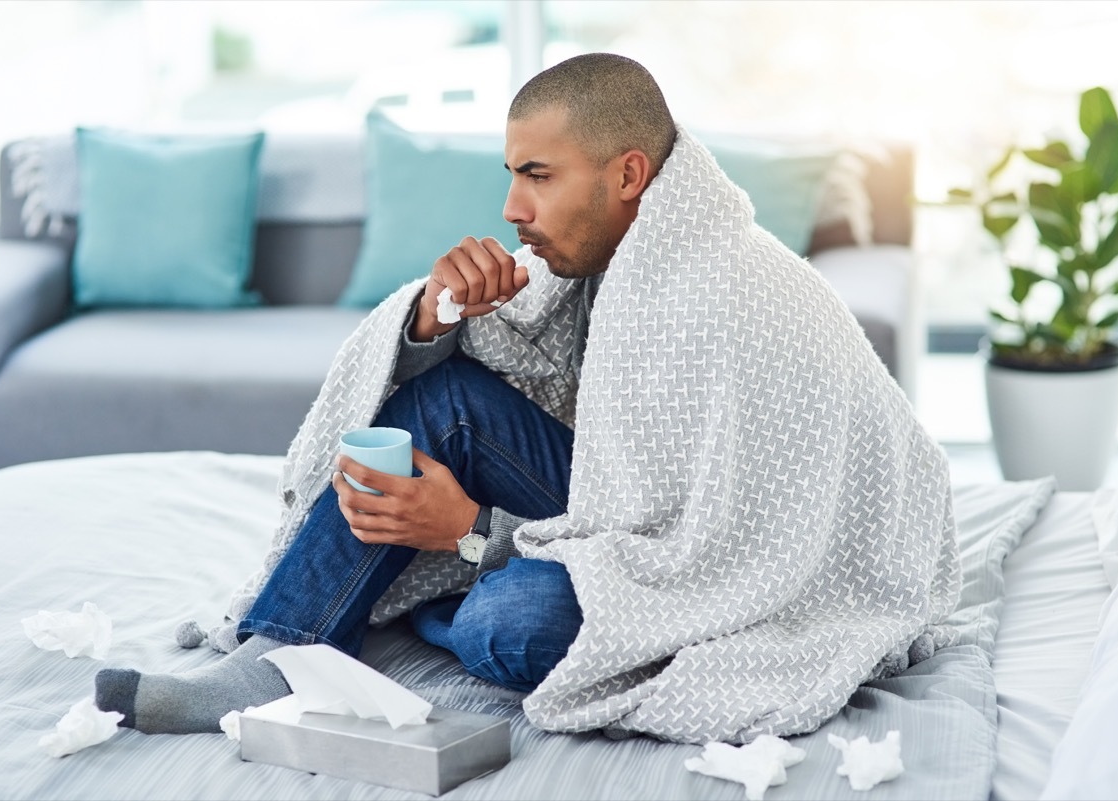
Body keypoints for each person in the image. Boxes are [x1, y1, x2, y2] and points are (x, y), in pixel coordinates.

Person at [94, 53, 959, 744]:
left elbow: (725, 552)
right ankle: (282, 647)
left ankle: (420, 597)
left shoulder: (723, 295)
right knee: (447, 403)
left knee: (508, 625)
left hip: (754, 561)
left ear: (627, 173)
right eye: (512, 174)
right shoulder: (626, 253)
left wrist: (472, 535)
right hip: (650, 522)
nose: (513, 206)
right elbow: (551, 379)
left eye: (538, 175)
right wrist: (439, 311)